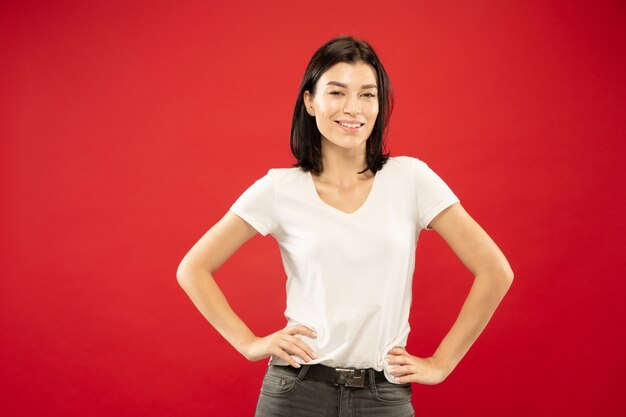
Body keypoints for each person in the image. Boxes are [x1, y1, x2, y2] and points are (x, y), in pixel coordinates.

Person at [176, 35, 514, 417]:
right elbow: (193, 268)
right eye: (336, 92)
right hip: (295, 393)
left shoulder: (412, 179)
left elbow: (494, 271)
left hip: (383, 398)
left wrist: (443, 362)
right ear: (310, 101)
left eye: (367, 95)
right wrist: (249, 343)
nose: (353, 108)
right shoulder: (279, 189)